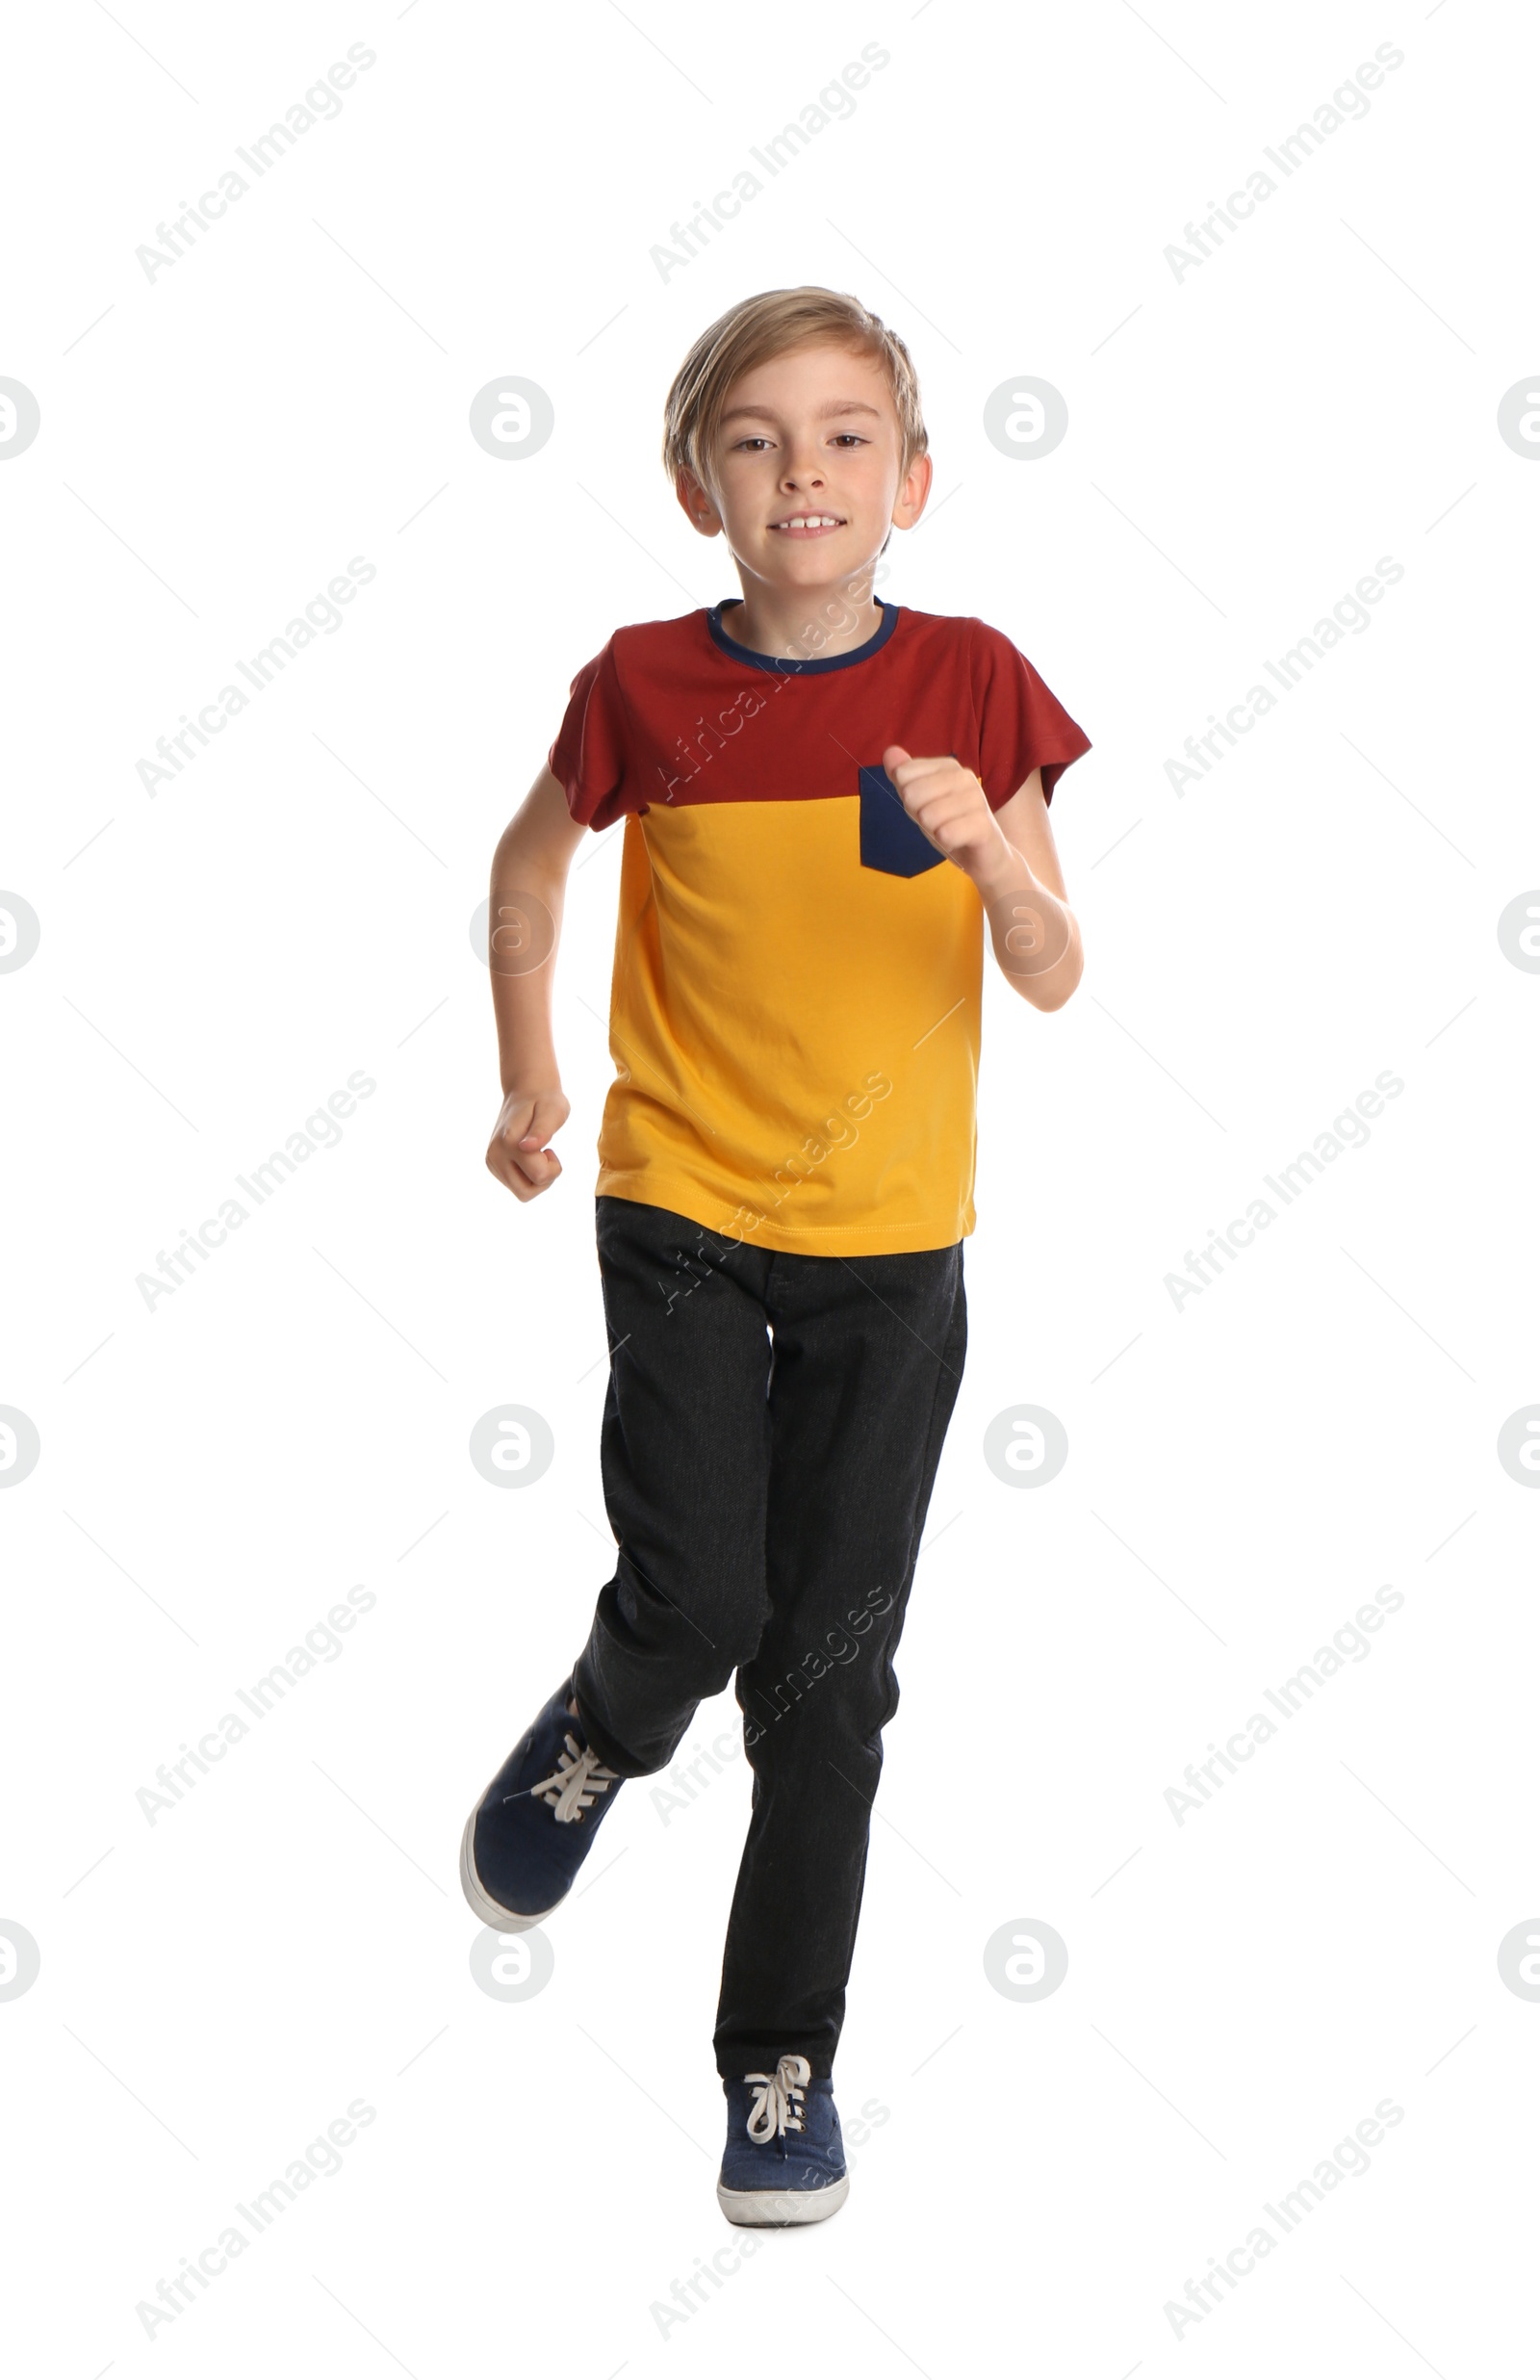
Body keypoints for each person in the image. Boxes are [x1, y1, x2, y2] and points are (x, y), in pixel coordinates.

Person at [460, 285, 1091, 2226]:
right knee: (701, 1597)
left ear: (907, 481)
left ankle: (776, 2064)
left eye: (838, 437)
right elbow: (528, 866)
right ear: (693, 486)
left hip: (892, 1252)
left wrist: (988, 851)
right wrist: (530, 1084)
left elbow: (1053, 967)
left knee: (827, 1679)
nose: (798, 468)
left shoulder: (976, 681)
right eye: (753, 437)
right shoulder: (643, 685)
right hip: (678, 1208)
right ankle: (605, 1719)